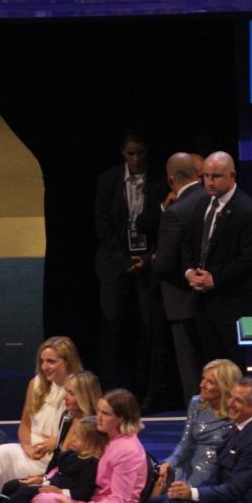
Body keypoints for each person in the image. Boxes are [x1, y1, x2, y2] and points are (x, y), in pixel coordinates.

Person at [94, 130, 168, 399]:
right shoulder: (109, 179)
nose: (135, 159)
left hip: (148, 263)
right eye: (130, 153)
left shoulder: (160, 180)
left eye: (140, 153)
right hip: (115, 263)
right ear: (122, 153)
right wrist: (124, 260)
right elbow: (102, 224)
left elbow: (166, 225)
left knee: (149, 329)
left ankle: (149, 391)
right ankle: (108, 390)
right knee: (112, 326)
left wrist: (147, 259)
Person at [0, 337, 83, 503]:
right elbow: (25, 423)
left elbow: (82, 437)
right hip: (29, 452)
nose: (45, 366)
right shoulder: (36, 384)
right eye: (42, 361)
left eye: (51, 361)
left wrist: (56, 442)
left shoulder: (79, 391)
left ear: (68, 361)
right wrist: (26, 446)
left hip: (53, 460)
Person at [185, 152, 252, 370]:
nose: (209, 182)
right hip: (204, 305)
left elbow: (249, 260)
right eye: (206, 176)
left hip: (235, 306)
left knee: (235, 367)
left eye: (216, 176)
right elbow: (191, 245)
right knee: (211, 367)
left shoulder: (248, 211)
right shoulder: (203, 204)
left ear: (232, 176)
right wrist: (189, 272)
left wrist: (215, 278)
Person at [148, 375, 252, 503]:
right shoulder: (239, 426)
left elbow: (234, 490)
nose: (230, 404)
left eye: (238, 400)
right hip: (222, 496)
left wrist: (191, 493)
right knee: (153, 502)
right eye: (231, 397)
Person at [31, 389, 147, 503]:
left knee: (43, 501)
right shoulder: (106, 437)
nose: (98, 417)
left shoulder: (127, 452)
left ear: (122, 419)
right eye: (98, 411)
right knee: (33, 492)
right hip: (93, 500)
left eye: (105, 414)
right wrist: (47, 481)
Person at [152, 152, 208, 404]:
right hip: (214, 299)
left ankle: (199, 426)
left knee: (192, 372)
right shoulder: (213, 200)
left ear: (171, 179)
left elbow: (164, 263)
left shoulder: (176, 211)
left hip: (182, 302)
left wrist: (156, 260)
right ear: (197, 174)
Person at [159, 359, 242, 490]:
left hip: (214, 472)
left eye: (210, 382)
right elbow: (185, 444)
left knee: (174, 495)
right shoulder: (196, 403)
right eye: (203, 379)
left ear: (225, 387)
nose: (202, 384)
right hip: (190, 463)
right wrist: (168, 463)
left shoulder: (236, 411)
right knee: (157, 477)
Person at [0, 416, 107, 503]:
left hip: (61, 489)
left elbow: (84, 492)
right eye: (74, 434)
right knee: (11, 485)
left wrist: (60, 491)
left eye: (78, 438)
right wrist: (42, 479)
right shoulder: (70, 454)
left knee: (24, 493)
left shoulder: (90, 463)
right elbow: (54, 470)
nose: (73, 439)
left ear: (92, 443)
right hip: (50, 482)